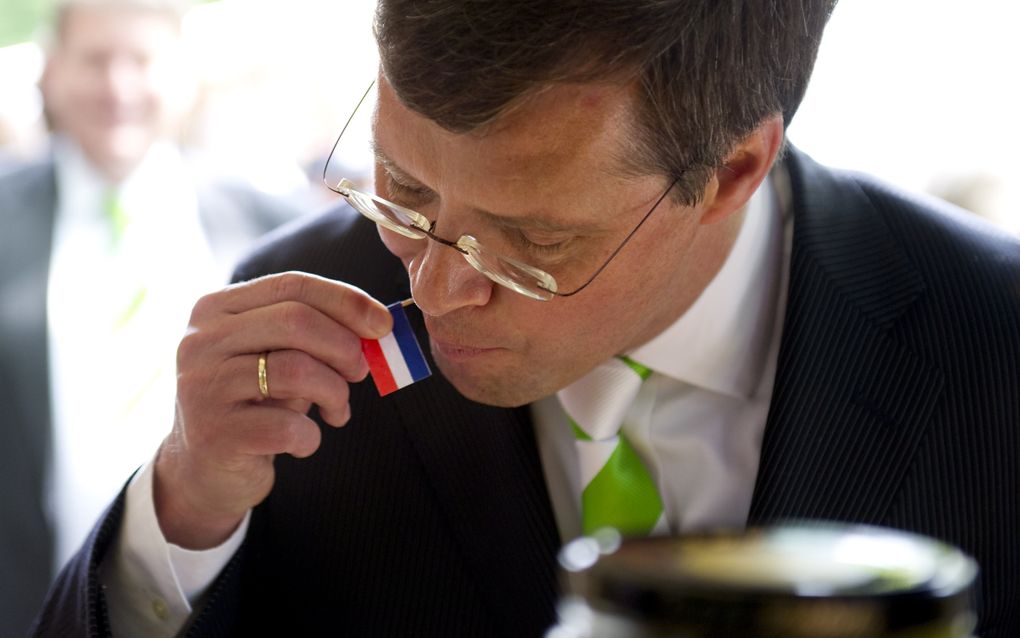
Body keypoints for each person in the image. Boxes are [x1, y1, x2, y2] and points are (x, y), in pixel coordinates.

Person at [34, 1, 1020, 636]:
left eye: (532, 242)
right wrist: (178, 514)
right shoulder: (292, 327)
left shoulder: (996, 342)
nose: (434, 287)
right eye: (404, 191)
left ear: (732, 172)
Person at [0, 0, 300, 634]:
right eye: (95, 60)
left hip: (223, 606)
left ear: (184, 74)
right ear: (52, 72)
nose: (119, 87)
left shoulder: (274, 226)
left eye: (141, 60)